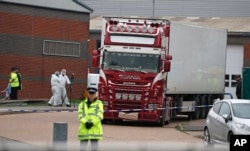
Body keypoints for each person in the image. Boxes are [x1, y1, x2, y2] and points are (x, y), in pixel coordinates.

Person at [78, 87, 104, 151]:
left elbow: (100, 115)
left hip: (94, 130)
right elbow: (80, 115)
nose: (91, 95)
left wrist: (92, 123)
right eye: (90, 93)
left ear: (96, 94)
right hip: (84, 129)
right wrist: (86, 122)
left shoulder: (99, 104)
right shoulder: (82, 104)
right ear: (88, 94)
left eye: (93, 93)